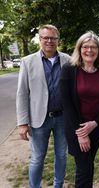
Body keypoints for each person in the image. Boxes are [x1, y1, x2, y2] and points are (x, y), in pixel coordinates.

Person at [16, 24, 70, 188]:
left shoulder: (68, 60)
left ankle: (58, 185)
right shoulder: (27, 62)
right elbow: (22, 93)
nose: (49, 41)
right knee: (38, 157)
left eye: (53, 38)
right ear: (40, 39)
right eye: (45, 37)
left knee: (61, 155)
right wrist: (22, 123)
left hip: (62, 118)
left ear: (58, 40)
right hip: (39, 119)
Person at [60, 31, 99, 187]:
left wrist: (95, 123)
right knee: (84, 169)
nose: (89, 50)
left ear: (98, 50)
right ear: (79, 48)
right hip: (77, 128)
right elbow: (66, 102)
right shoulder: (69, 69)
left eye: (93, 47)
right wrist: (81, 133)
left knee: (88, 165)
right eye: (85, 46)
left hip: (96, 127)